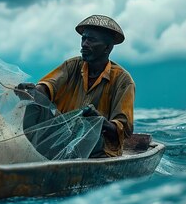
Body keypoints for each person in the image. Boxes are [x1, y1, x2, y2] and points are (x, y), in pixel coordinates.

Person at [15, 15, 134, 158]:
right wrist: (33, 92)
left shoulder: (123, 80)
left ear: (107, 47)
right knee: (33, 104)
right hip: (62, 138)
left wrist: (98, 120)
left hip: (100, 148)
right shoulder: (71, 66)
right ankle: (40, 153)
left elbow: (124, 131)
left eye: (92, 40)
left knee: (91, 128)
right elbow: (46, 87)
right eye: (83, 39)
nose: (84, 44)